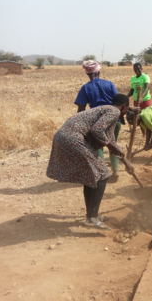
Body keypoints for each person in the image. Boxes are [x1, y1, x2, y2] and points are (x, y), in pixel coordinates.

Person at [47, 94, 133, 230]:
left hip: (63, 137)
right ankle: (93, 217)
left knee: (91, 175)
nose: (126, 113)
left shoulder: (105, 110)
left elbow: (110, 144)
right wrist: (112, 146)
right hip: (74, 138)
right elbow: (97, 130)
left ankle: (91, 216)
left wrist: (126, 162)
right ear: (124, 107)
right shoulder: (114, 111)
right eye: (127, 109)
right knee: (103, 173)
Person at [75, 60, 121, 181]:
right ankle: (116, 171)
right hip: (113, 118)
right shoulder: (109, 84)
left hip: (96, 121)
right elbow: (118, 102)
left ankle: (102, 173)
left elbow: (81, 108)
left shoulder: (85, 88)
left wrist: (80, 125)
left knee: (97, 146)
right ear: (99, 71)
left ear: (87, 74)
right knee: (113, 143)